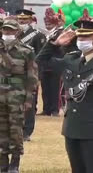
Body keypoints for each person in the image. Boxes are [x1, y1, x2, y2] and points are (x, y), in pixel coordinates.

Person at [36, 20, 93, 173]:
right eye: (79, 37)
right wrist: (54, 44)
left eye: (86, 37)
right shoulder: (71, 60)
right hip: (72, 128)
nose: (81, 40)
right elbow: (40, 62)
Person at [0, 19, 38, 173]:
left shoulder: (26, 50)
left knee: (16, 130)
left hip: (17, 94)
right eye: (5, 30)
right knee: (1, 129)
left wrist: (29, 99)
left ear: (17, 32)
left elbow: (32, 76)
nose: (7, 33)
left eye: (10, 30)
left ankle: (15, 162)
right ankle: (2, 162)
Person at [15, 9, 46, 141]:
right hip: (15, 74)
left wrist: (37, 76)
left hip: (30, 74)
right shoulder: (13, 34)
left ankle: (27, 131)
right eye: (20, 19)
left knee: (29, 103)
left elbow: (41, 56)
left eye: (25, 19)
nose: (22, 21)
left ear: (30, 20)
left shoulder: (37, 36)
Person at [38, 8, 65, 117]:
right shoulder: (47, 33)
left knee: (55, 88)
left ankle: (54, 110)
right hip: (45, 65)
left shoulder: (61, 33)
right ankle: (46, 109)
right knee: (45, 89)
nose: (48, 24)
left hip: (56, 64)